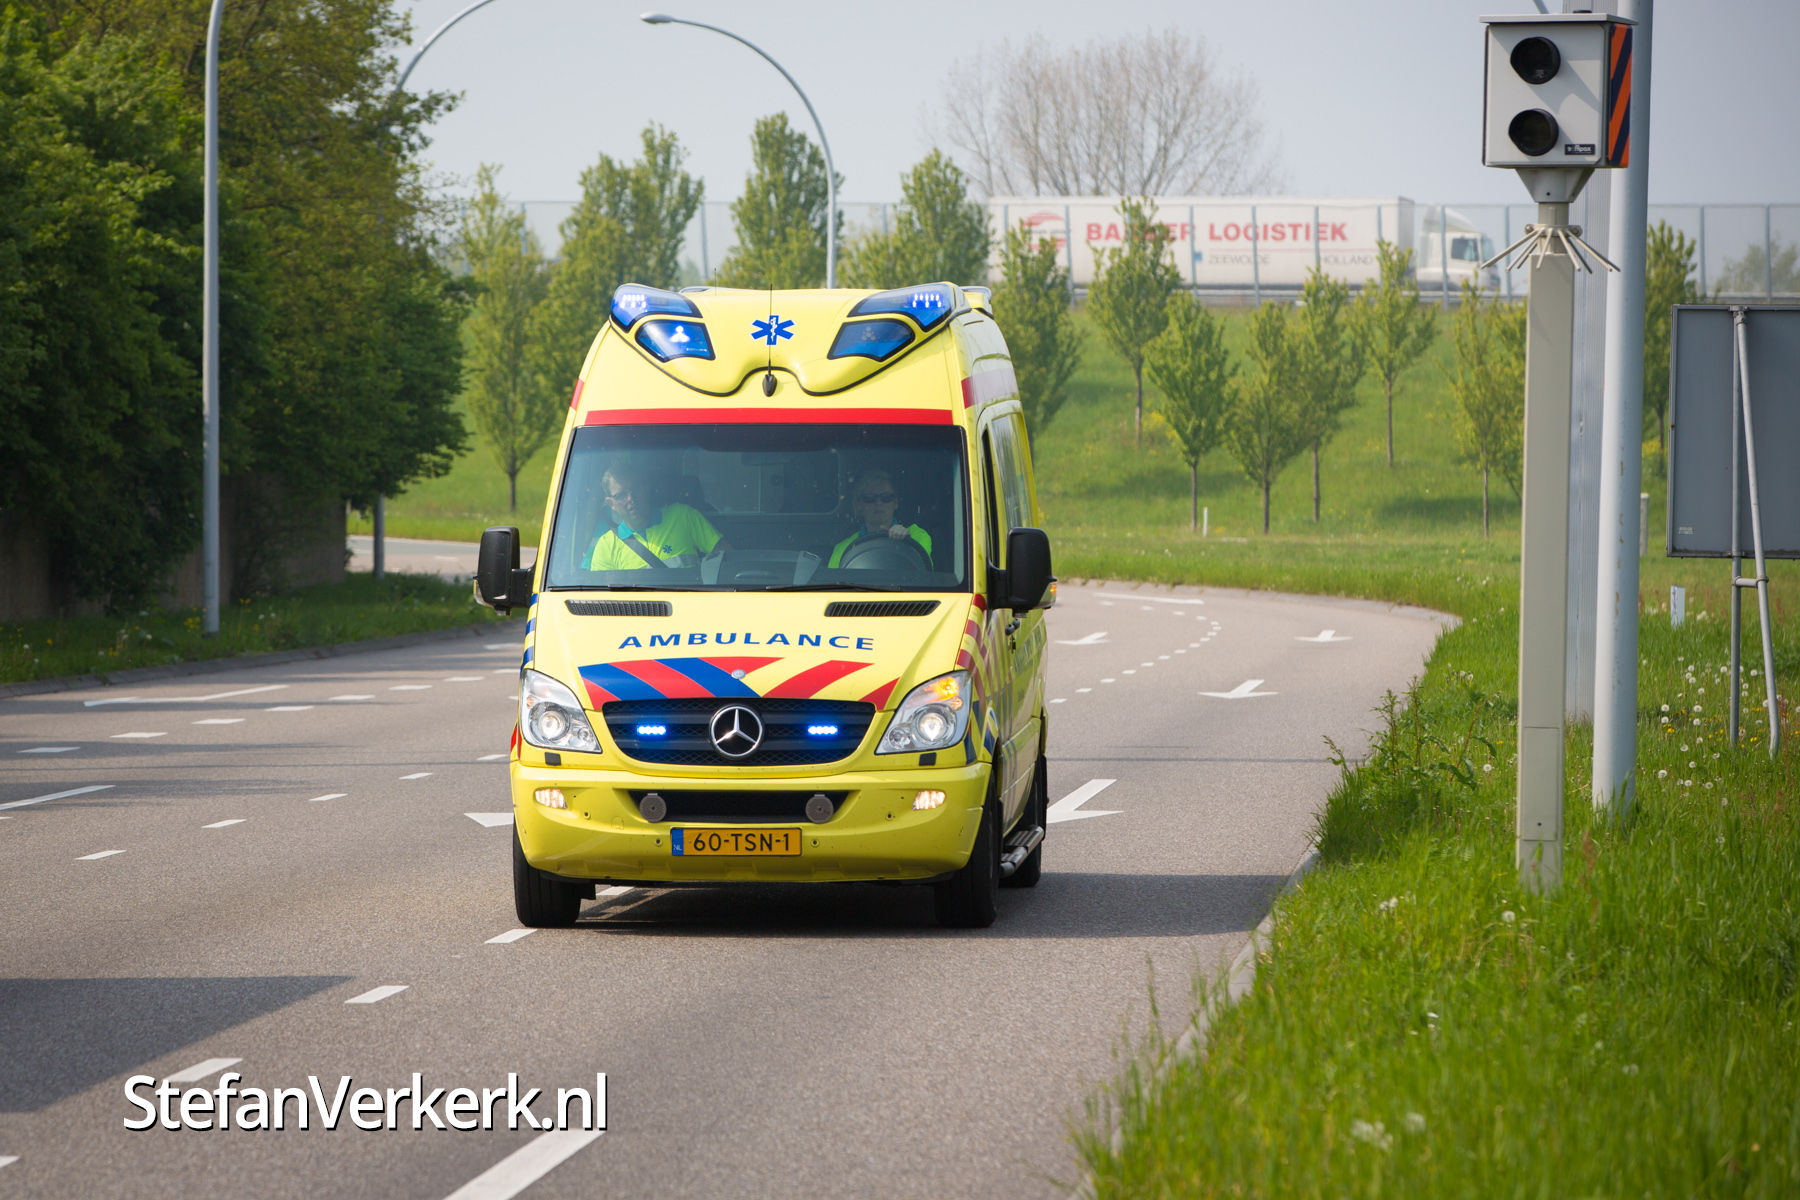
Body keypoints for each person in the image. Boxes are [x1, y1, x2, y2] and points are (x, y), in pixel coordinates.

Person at [586, 462, 727, 570]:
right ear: (611, 503)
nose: (631, 498)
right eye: (622, 495)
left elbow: (727, 561)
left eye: (635, 489)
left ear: (646, 488)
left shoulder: (683, 516)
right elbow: (602, 599)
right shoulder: (606, 546)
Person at [828, 469, 932, 568]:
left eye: (886, 497)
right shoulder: (843, 548)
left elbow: (923, 571)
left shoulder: (917, 535)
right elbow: (833, 584)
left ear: (895, 503)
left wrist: (906, 543)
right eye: (869, 498)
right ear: (859, 505)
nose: (878, 503)